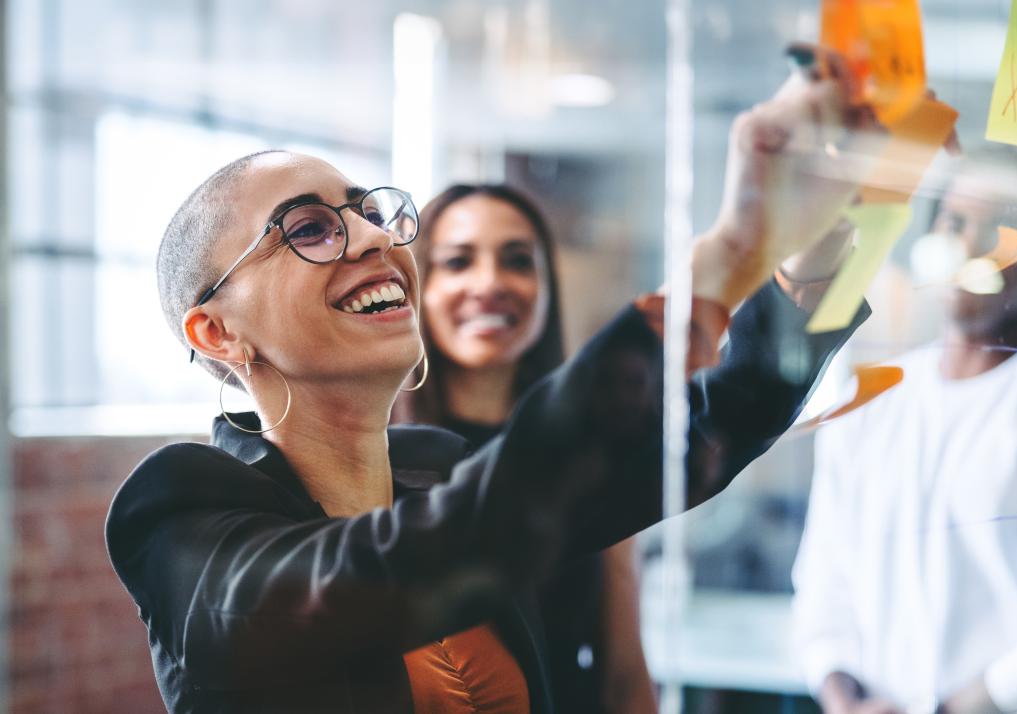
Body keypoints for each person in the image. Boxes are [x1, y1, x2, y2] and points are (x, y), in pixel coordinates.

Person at [106, 49, 878, 713]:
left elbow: (693, 439)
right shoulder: (178, 511)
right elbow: (408, 560)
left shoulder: (437, 466)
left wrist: (833, 248)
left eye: (369, 212)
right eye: (309, 227)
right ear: (218, 331)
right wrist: (724, 256)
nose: (376, 237)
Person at [791, 149, 1017, 714]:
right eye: (954, 222)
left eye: (998, 229)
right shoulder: (871, 400)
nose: (966, 247)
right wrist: (842, 697)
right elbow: (822, 585)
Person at [392, 183, 656, 712]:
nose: (490, 283)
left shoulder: (592, 449)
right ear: (419, 285)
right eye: (457, 262)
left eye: (517, 261)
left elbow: (624, 673)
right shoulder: (377, 460)